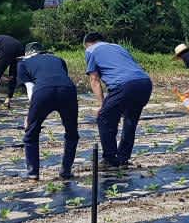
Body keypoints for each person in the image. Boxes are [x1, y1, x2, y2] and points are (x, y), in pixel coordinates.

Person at [83, 32, 153, 170]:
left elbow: (94, 79)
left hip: (124, 85)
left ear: (88, 43)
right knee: (130, 120)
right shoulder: (118, 47)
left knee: (104, 117)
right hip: (144, 83)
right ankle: (123, 157)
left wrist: (101, 105)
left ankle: (109, 158)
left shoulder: (90, 50)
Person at [17, 42, 80, 180]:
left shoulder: (23, 64)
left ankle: (33, 172)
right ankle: (66, 170)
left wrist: (30, 115)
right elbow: (61, 77)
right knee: (71, 132)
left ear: (27, 54)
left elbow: (30, 89)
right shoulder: (58, 59)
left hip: (43, 91)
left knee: (31, 133)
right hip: (68, 90)